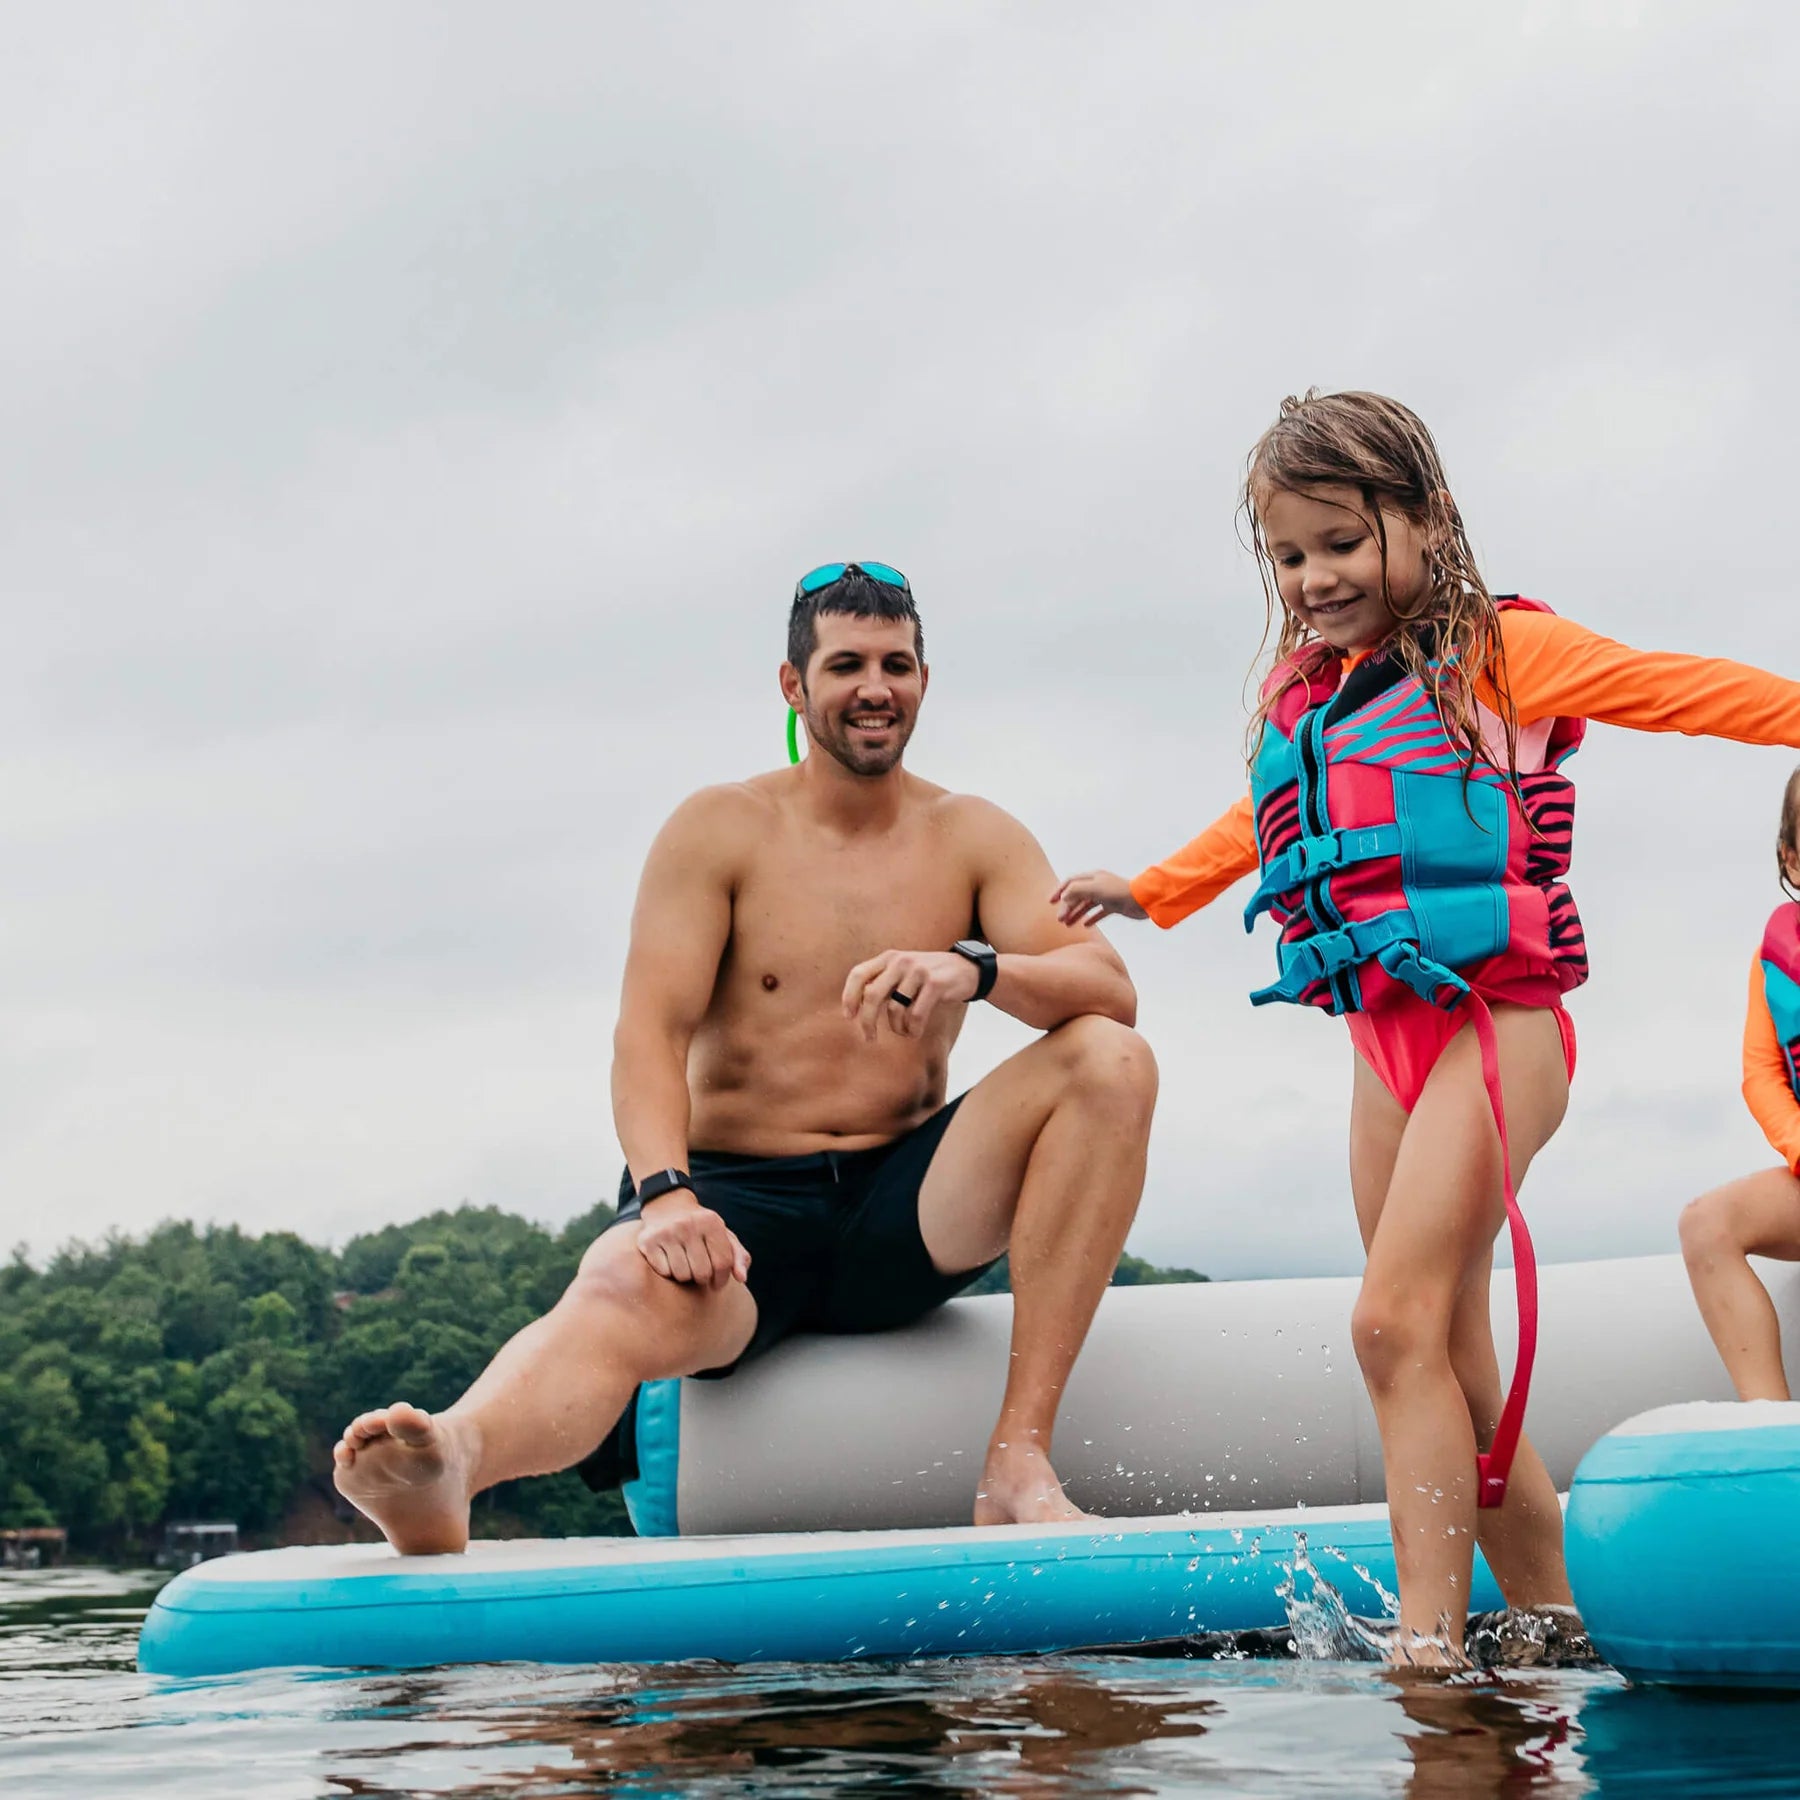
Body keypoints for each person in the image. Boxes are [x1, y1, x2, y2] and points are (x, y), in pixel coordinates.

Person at [1052, 391, 1800, 1666]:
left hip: (1497, 1027)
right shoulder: (1312, 696)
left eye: (1343, 542)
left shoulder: (1502, 656)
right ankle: (1563, 1618)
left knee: (1388, 1325)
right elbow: (1270, 821)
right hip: (1380, 1044)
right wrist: (1160, 887)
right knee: (1449, 1353)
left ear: (1428, 520)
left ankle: (1429, 1650)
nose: (1316, 577)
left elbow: (1696, 695)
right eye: (1290, 556)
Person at [334, 561, 1157, 1554]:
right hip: (738, 1208)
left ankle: (1019, 1459)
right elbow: (648, 1035)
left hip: (909, 1210)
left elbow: (1110, 990)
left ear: (924, 684)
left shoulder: (973, 835)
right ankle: (452, 1460)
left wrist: (973, 969)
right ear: (793, 685)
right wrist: (668, 1197)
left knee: (1109, 1060)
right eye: (846, 663)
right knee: (614, 1283)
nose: (874, 688)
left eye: (896, 664)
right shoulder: (720, 829)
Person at [1680, 768, 1800, 1399]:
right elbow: (1762, 1074)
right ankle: (1776, 1434)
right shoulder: (1774, 961)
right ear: (1792, 858)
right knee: (1707, 1225)